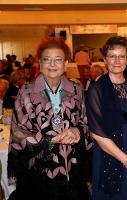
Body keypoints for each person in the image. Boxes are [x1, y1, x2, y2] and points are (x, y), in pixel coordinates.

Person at [8, 38, 93, 200]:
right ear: (40, 63)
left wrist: (78, 131)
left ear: (66, 63)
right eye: (47, 59)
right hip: (39, 173)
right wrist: (48, 140)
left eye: (58, 59)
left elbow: (86, 121)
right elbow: (19, 132)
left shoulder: (76, 89)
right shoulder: (26, 92)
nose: (52, 64)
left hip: (72, 170)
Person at [86, 36, 127, 200]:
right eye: (112, 56)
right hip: (110, 154)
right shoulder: (96, 89)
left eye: (121, 56)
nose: (117, 61)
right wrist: (126, 160)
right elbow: (97, 132)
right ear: (105, 59)